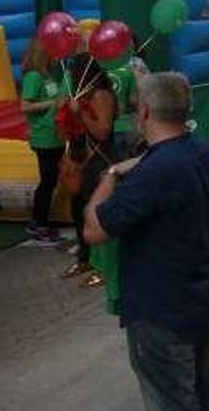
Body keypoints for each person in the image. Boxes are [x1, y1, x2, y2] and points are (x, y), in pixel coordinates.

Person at [83, 72, 209, 411]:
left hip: (161, 311)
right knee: (204, 388)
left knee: (173, 398)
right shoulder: (204, 153)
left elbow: (94, 229)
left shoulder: (154, 173)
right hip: (200, 299)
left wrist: (110, 175)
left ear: (145, 112)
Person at [63, 54, 122, 288]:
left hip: (99, 161)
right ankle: (85, 258)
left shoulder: (101, 95)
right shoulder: (81, 95)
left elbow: (103, 131)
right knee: (77, 211)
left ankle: (104, 267)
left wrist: (81, 113)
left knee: (95, 213)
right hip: (81, 162)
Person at [20, 40, 70, 245]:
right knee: (48, 181)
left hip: (54, 135)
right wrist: (52, 103)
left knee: (51, 180)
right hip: (43, 137)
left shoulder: (48, 76)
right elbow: (25, 106)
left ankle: (38, 222)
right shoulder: (33, 76)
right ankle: (39, 224)